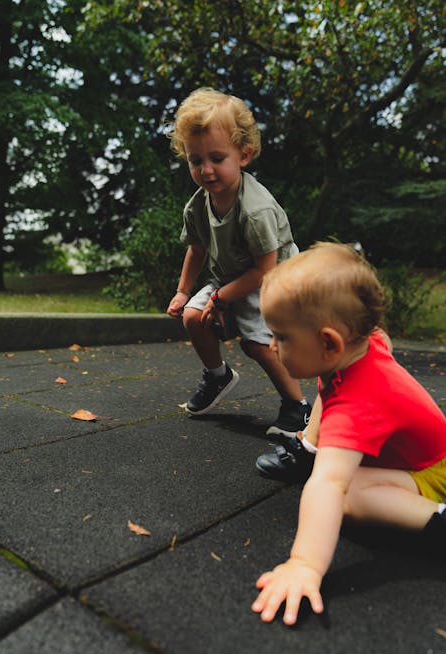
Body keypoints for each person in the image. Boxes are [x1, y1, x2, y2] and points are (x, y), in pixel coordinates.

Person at [251, 242, 446, 626]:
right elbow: (382, 340)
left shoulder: (356, 403)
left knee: (351, 494)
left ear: (329, 343)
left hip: (434, 471)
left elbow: (328, 485)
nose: (272, 346)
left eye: (282, 336)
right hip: (427, 452)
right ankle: (306, 447)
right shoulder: (361, 344)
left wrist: (304, 564)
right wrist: (312, 443)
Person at [166, 87, 311, 436]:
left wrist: (220, 299)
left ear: (243, 156)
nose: (206, 169)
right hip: (231, 277)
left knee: (257, 343)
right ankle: (218, 376)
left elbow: (264, 270)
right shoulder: (198, 205)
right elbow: (197, 249)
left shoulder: (255, 209)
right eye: (195, 160)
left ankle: (297, 407)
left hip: (275, 279)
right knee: (192, 318)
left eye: (217, 158)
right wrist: (183, 291)